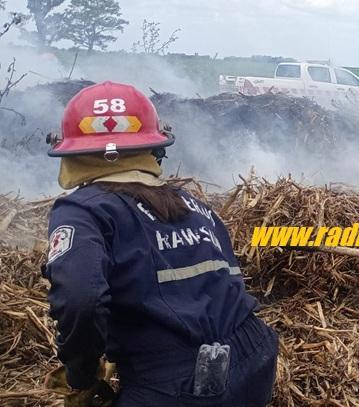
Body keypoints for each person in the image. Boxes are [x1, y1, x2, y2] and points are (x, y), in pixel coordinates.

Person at [42, 81, 278, 406]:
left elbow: (80, 299)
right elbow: (228, 284)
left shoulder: (82, 211)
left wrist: (81, 375)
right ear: (153, 149)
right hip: (255, 355)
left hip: (179, 381)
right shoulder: (193, 206)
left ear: (72, 152)